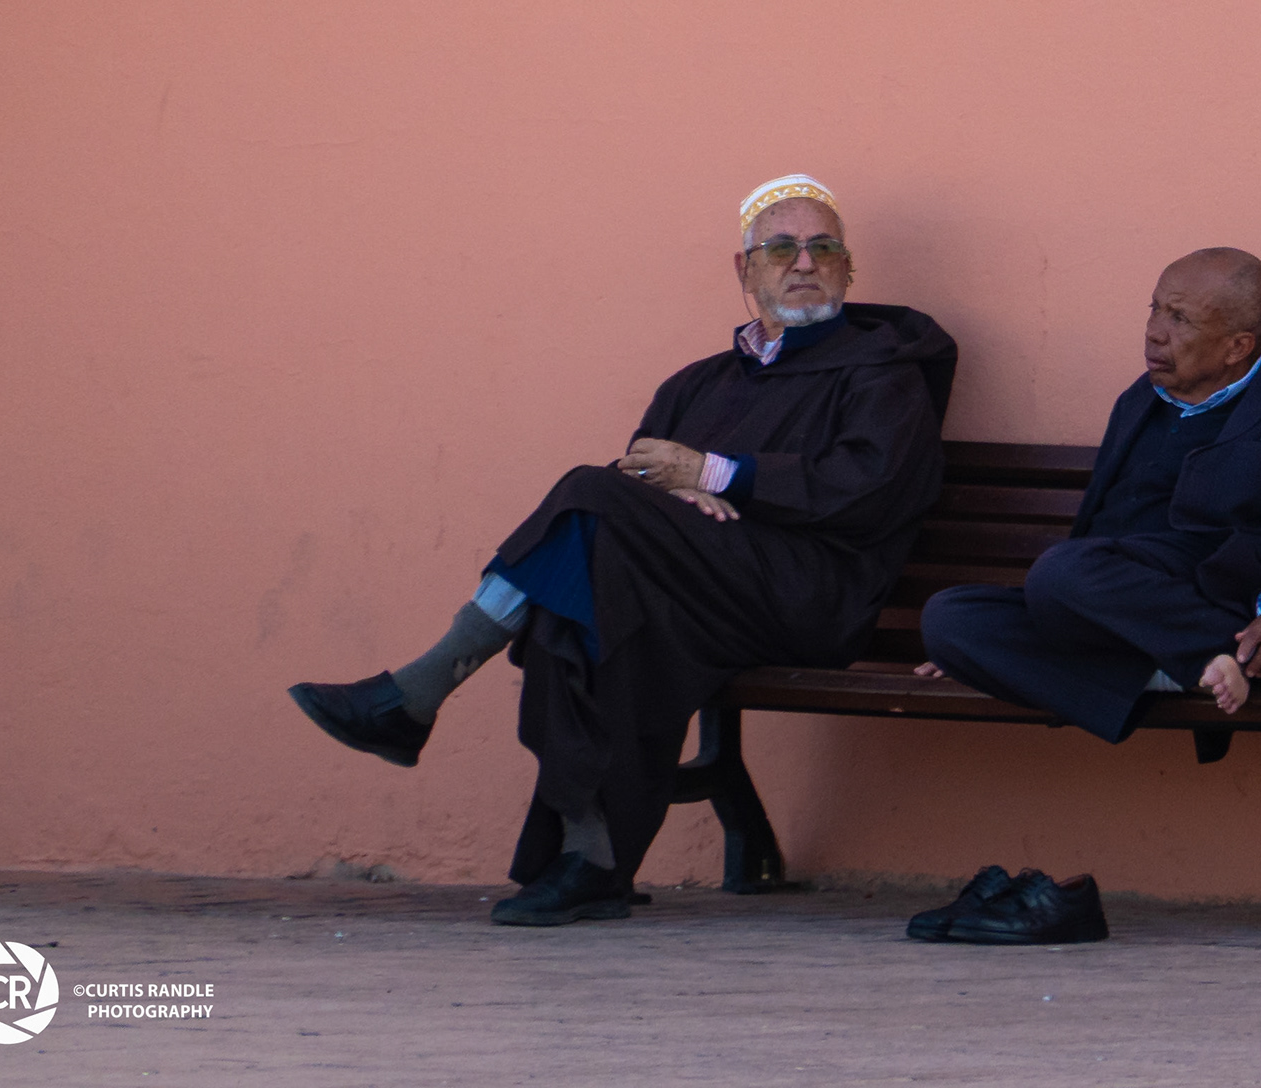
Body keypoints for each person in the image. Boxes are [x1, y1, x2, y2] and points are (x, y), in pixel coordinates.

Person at [288, 175, 959, 927]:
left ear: (848, 269)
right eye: (781, 248)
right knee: (577, 600)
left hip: (811, 595)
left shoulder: (884, 372)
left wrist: (710, 475)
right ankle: (592, 861)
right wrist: (672, 498)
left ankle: (416, 693)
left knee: (589, 497)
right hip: (702, 592)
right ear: (745, 271)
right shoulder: (698, 384)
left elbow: (867, 488)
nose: (804, 263)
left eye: (823, 247)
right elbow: (637, 481)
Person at [904, 247, 1261, 945]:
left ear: (1239, 345)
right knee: (948, 620)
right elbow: (1093, 539)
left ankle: (1208, 653)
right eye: (1154, 308)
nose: (1155, 331)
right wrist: (997, 649)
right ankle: (1193, 663)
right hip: (1120, 607)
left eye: (1180, 319)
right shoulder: (1138, 404)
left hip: (1211, 598)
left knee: (1061, 574)